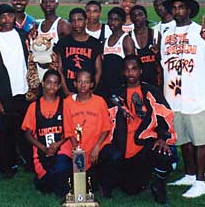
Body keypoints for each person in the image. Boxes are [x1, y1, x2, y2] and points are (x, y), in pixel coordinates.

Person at [161, 0, 205, 198]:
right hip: (173, 98)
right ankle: (189, 174)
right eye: (175, 7)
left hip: (197, 97)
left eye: (181, 7)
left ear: (189, 10)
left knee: (200, 141)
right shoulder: (167, 33)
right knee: (183, 140)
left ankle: (200, 182)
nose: (178, 11)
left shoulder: (200, 31)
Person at [111, 55, 176, 204]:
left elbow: (165, 116)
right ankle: (142, 176)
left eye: (134, 69)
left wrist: (162, 137)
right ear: (122, 72)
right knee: (131, 189)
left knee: (163, 152)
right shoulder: (116, 96)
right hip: (126, 150)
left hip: (146, 144)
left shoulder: (151, 91)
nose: (130, 73)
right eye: (127, 70)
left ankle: (160, 185)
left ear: (140, 71)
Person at [0, 4, 32, 178]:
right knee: (3, 131)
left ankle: (28, 161)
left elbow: (32, 62)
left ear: (14, 17)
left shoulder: (24, 36)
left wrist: (34, 88)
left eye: (9, 16)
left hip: (24, 92)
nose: (7, 20)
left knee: (24, 129)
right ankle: (7, 165)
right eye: (2, 16)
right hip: (4, 94)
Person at [63, 70, 121, 198]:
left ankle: (106, 187)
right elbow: (68, 131)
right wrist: (77, 150)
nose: (83, 85)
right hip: (80, 148)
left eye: (86, 82)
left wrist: (97, 147)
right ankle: (92, 179)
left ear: (91, 84)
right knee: (77, 188)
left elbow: (106, 128)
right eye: (80, 82)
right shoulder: (67, 103)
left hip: (98, 146)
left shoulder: (100, 101)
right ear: (75, 84)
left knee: (114, 155)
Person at [21, 69, 71, 197]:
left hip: (61, 150)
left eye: (55, 83)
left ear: (59, 86)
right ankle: (50, 180)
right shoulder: (34, 106)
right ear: (42, 83)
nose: (51, 86)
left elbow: (70, 130)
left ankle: (63, 183)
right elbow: (27, 133)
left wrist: (58, 144)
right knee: (45, 185)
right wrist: (43, 147)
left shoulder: (65, 105)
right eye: (48, 82)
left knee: (61, 169)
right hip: (42, 151)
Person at [55, 8, 103, 96]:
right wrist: (66, 91)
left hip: (88, 92)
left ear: (86, 21)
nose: (77, 24)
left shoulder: (94, 43)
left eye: (80, 20)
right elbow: (59, 68)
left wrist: (91, 90)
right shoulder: (63, 42)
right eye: (73, 21)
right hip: (67, 90)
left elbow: (98, 70)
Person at [98, 7, 135, 101]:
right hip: (107, 86)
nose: (112, 22)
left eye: (116, 20)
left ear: (123, 22)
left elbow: (131, 65)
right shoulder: (105, 41)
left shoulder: (126, 40)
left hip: (120, 87)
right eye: (110, 19)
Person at [36, 0, 71, 80]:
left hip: (57, 73)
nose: (48, 4)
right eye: (45, 2)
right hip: (41, 71)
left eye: (51, 1)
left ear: (56, 4)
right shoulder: (39, 26)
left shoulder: (63, 24)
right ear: (40, 5)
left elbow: (70, 49)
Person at [129, 5, 163, 91]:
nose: (137, 17)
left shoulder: (155, 34)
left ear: (146, 16)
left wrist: (157, 53)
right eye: (134, 15)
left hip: (155, 80)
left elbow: (162, 58)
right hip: (138, 81)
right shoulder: (128, 37)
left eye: (140, 14)